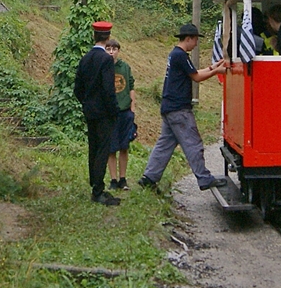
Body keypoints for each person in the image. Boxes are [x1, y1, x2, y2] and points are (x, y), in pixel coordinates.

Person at [138, 23, 228, 193]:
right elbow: (196, 77)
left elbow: (194, 72)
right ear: (188, 38)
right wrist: (217, 71)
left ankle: (149, 177)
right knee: (193, 143)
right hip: (179, 109)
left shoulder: (176, 54)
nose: (196, 44)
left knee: (165, 144)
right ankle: (204, 178)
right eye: (195, 40)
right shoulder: (180, 55)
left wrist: (213, 66)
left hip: (169, 107)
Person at [73, 21, 121, 206]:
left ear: (94, 36)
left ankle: (95, 183)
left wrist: (86, 103)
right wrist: (113, 110)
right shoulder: (106, 60)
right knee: (103, 149)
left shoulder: (85, 58)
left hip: (89, 110)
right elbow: (108, 89)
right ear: (108, 38)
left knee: (93, 147)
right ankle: (98, 190)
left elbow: (78, 88)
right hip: (103, 112)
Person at [105, 38, 137, 191]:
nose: (111, 52)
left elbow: (131, 86)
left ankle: (123, 179)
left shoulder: (124, 67)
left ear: (118, 51)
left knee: (124, 146)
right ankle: (113, 179)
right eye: (108, 49)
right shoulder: (103, 67)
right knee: (111, 148)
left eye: (114, 49)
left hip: (125, 112)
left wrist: (132, 108)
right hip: (110, 114)